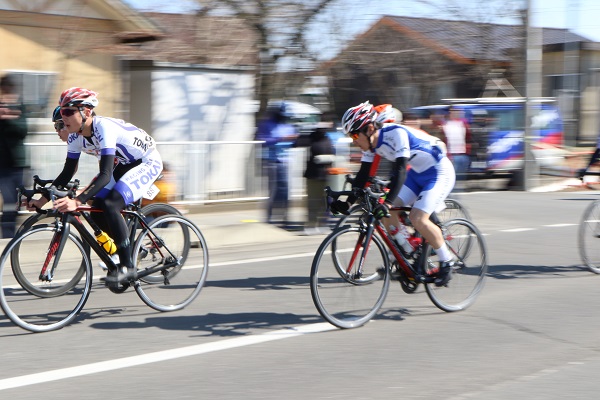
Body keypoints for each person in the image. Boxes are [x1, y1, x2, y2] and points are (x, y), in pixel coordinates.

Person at [27, 87, 163, 284]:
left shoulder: (103, 128)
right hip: (123, 164)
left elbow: (106, 174)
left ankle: (128, 266)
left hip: (145, 161)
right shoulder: (75, 136)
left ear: (86, 112)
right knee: (97, 208)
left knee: (111, 204)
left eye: (68, 111)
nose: (63, 117)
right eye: (61, 111)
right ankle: (127, 248)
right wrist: (42, 201)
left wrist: (77, 200)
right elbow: (67, 172)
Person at [331, 101, 456, 286]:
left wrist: (387, 203)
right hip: (417, 175)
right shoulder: (370, 146)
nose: (354, 140)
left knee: (417, 218)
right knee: (388, 214)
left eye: (355, 134)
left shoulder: (395, 133)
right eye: (351, 136)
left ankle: (447, 261)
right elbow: (363, 176)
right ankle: (407, 250)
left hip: (438, 172)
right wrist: (347, 203)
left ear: (370, 128)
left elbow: (400, 171)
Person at [256, 102, 298, 225]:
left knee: (286, 191)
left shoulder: (288, 126)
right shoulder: (266, 124)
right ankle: (269, 218)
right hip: (271, 161)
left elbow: (295, 142)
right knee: (273, 191)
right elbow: (263, 140)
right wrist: (281, 139)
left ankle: (285, 217)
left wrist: (295, 139)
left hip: (285, 161)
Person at [0, 74, 28, 239]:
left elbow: (22, 130)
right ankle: (8, 238)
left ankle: (15, 237)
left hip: (19, 163)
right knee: (9, 202)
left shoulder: (19, 107)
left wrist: (8, 116)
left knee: (17, 203)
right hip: (3, 165)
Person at [300, 122, 335, 235]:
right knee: (313, 202)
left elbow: (332, 153)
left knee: (324, 202)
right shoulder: (311, 138)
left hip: (324, 176)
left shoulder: (327, 139)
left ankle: (323, 224)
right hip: (313, 175)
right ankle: (311, 225)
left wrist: (329, 160)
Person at [442, 106, 472, 190]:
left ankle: (457, 196)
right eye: (454, 111)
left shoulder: (463, 124)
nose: (456, 113)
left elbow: (468, 138)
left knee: (460, 179)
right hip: (452, 155)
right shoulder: (445, 125)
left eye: (458, 111)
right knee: (451, 178)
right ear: (449, 113)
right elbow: (443, 140)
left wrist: (467, 151)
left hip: (462, 155)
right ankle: (450, 196)